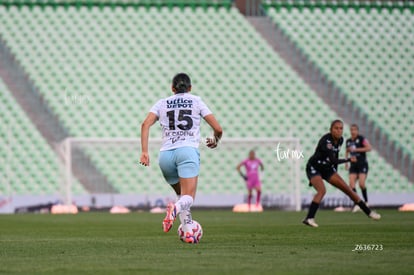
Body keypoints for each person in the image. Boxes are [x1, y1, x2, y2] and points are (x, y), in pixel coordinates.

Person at [139, 73, 223, 241]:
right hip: (187, 151)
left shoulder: (162, 103)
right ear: (190, 88)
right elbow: (218, 129)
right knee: (188, 198)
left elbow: (145, 124)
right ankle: (174, 209)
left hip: (165, 156)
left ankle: (188, 231)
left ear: (172, 88)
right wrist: (215, 139)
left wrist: (144, 151)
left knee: (182, 195)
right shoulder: (196, 100)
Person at [303, 119, 380, 227]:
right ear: (331, 130)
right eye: (336, 128)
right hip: (315, 167)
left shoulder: (340, 140)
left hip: (327, 168)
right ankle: (309, 218)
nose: (339, 131)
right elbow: (333, 160)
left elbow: (336, 156)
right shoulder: (327, 141)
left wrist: (335, 173)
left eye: (341, 128)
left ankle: (369, 212)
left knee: (348, 189)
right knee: (322, 190)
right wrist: (348, 160)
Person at [345, 124, 372, 212]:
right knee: (351, 185)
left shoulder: (361, 139)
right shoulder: (348, 141)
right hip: (353, 165)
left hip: (362, 164)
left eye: (355, 130)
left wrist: (356, 150)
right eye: (351, 130)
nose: (353, 131)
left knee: (361, 184)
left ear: (357, 131)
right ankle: (357, 203)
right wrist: (346, 162)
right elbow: (347, 151)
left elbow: (368, 148)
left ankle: (366, 201)